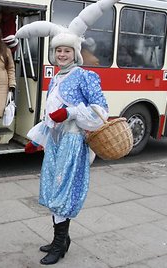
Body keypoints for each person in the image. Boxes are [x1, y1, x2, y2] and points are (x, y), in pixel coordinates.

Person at [27, 32, 108, 265]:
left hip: (72, 142)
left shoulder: (85, 76)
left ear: (76, 53)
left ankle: (59, 244)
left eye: (67, 50)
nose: (62, 54)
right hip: (54, 141)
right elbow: (51, 116)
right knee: (53, 189)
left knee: (63, 191)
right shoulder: (56, 77)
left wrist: (71, 112)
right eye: (59, 51)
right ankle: (60, 240)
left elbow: (100, 114)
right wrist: (37, 139)